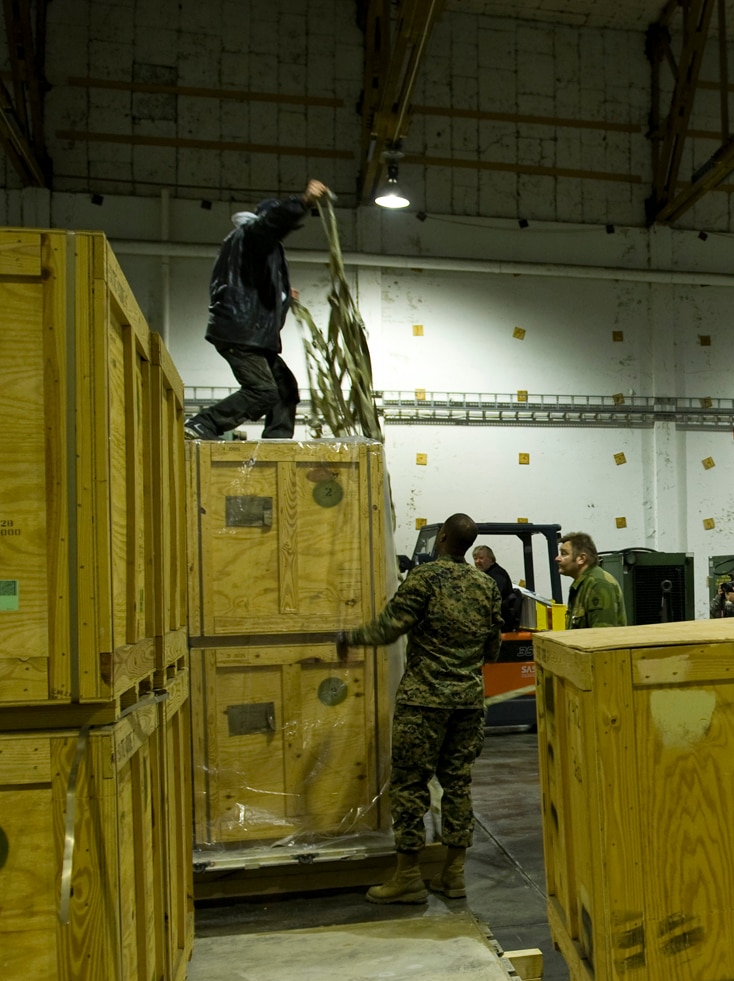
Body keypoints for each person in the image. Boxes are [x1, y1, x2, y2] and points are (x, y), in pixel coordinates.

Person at [339, 511, 502, 905]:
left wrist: (349, 637)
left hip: (424, 702)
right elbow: (493, 650)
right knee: (458, 784)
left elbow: (391, 626)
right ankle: (454, 874)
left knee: (410, 786)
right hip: (467, 703)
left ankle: (408, 876)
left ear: (441, 537)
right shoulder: (486, 586)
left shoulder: (424, 579)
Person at [186, 179, 328, 440]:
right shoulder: (252, 236)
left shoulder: (258, 250)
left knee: (285, 388)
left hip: (253, 335)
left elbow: (252, 285)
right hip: (241, 334)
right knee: (263, 391)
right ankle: (202, 424)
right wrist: (303, 202)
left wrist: (284, 298)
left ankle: (277, 442)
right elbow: (270, 225)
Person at [557, 531, 625, 628]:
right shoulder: (583, 583)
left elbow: (602, 636)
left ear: (581, 558)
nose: (557, 558)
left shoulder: (598, 584)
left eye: (564, 554)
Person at [472, 544, 523, 632]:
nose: (477, 562)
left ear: (491, 559)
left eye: (481, 558)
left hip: (499, 622)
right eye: (475, 559)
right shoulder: (485, 574)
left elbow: (491, 598)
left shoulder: (497, 575)